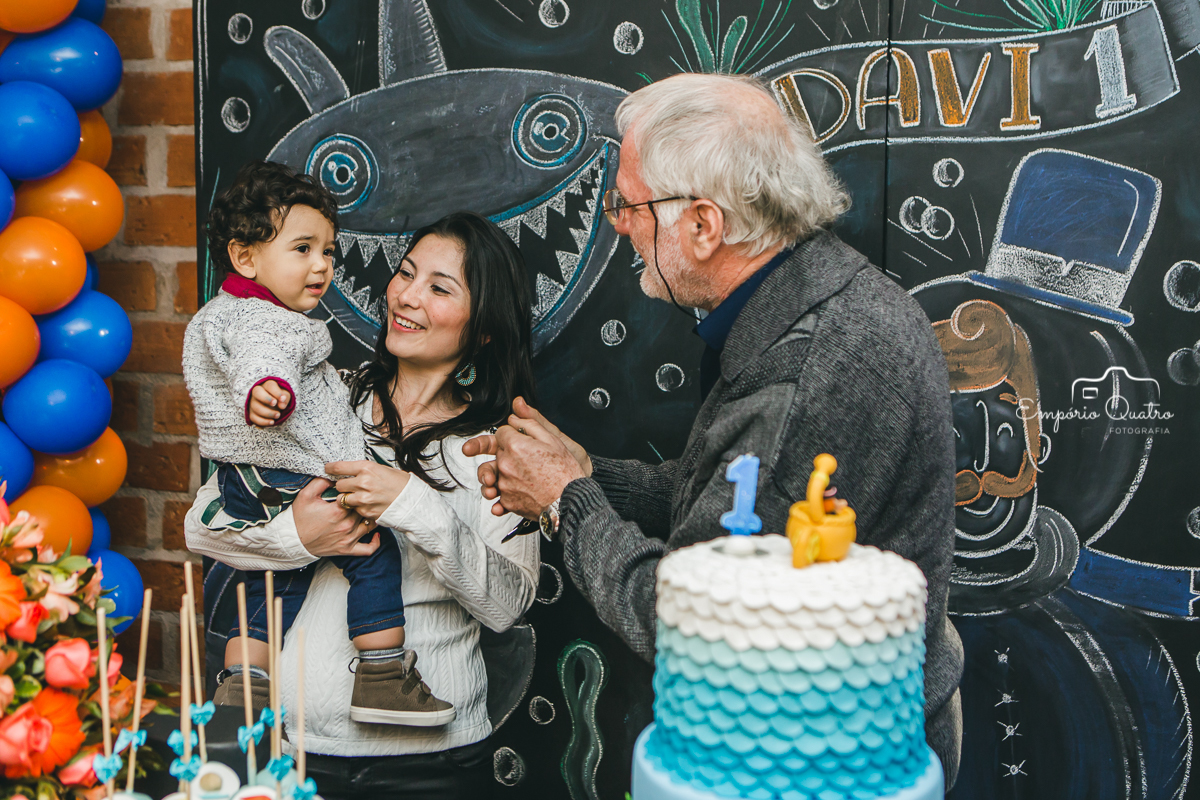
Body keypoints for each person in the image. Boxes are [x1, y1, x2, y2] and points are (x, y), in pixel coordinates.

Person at [464, 73, 965, 787]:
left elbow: (697, 630)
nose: (618, 222)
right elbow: (735, 494)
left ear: (703, 226)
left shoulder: (811, 373)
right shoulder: (808, 302)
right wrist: (587, 471)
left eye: (631, 204)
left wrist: (567, 500)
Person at [186, 210, 540, 797]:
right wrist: (296, 537)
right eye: (405, 273)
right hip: (283, 746)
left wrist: (413, 505)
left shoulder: (497, 448)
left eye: (439, 287)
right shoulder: (316, 393)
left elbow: (507, 604)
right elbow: (201, 525)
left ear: (483, 330)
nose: (406, 296)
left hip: (431, 763)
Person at [183, 160, 453, 725]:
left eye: (328, 251)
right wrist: (267, 390)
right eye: (302, 248)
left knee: (262, 581)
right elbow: (263, 361)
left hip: (243, 478)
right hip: (289, 468)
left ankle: (242, 690)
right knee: (373, 553)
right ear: (245, 257)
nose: (322, 265)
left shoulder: (223, 314)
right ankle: (381, 673)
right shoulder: (268, 320)